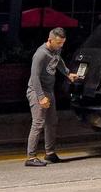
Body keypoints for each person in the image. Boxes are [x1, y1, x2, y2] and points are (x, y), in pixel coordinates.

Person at [25, 27, 78, 167]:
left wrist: (67, 73)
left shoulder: (56, 50)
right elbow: (34, 77)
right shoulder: (40, 54)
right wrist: (41, 97)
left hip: (49, 91)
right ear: (50, 40)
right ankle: (30, 157)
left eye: (63, 43)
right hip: (37, 91)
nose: (61, 46)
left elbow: (58, 61)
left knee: (52, 121)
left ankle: (50, 153)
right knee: (38, 123)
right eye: (58, 43)